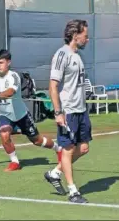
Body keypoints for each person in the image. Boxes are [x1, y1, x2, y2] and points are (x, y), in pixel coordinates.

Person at [44, 19, 90, 204]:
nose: (87, 39)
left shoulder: (77, 56)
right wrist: (58, 112)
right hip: (68, 111)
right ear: (75, 35)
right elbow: (53, 86)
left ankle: (54, 173)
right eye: (85, 36)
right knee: (68, 150)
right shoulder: (61, 55)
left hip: (81, 110)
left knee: (84, 148)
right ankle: (73, 192)